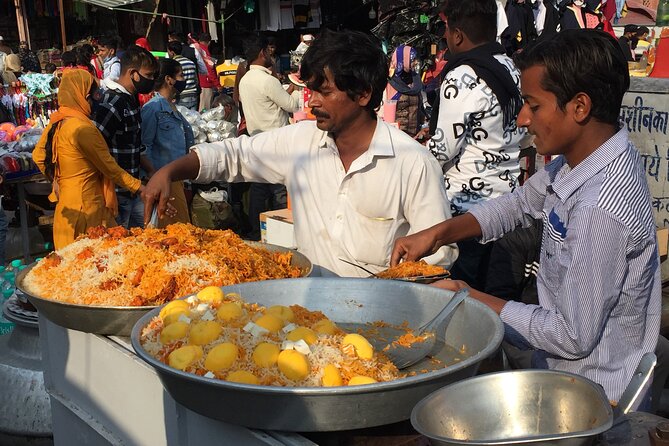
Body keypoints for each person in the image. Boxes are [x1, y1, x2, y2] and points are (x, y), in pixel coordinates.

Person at [391, 29, 660, 406]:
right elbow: (517, 205)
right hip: (558, 375)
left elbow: (571, 335)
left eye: (533, 106)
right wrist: (438, 233)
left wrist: (468, 296)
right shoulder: (580, 161)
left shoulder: (601, 208)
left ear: (579, 107)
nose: (522, 118)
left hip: (594, 398)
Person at [142, 29, 458, 277]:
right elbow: (233, 156)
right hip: (310, 314)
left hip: (380, 322)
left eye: (325, 91)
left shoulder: (412, 163)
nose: (312, 103)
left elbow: (436, 259)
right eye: (310, 90)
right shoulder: (301, 142)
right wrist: (168, 172)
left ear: (363, 94)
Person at [426, 0, 527, 290]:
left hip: (466, 209)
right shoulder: (510, 66)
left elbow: (443, 150)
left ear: (457, 35)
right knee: (493, 294)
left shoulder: (461, 76)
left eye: (446, 31)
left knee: (462, 296)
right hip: (507, 203)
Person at [32, 69, 142, 249]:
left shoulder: (57, 120)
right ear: (83, 95)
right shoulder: (83, 129)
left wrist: (59, 179)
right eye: (96, 94)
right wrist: (140, 188)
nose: (99, 99)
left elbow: (38, 156)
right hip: (88, 213)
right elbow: (110, 168)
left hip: (65, 211)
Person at [239, 33, 301, 241]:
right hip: (276, 142)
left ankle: (256, 231)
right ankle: (280, 234)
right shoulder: (267, 81)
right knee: (279, 190)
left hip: (256, 140)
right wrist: (293, 89)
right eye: (269, 50)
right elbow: (292, 105)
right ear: (261, 52)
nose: (271, 54)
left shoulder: (246, 80)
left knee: (259, 188)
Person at [93, 46, 158, 229]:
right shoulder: (112, 103)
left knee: (144, 240)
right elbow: (96, 147)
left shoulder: (131, 99)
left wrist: (151, 171)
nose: (151, 80)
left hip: (134, 189)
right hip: (116, 192)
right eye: (149, 75)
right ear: (133, 73)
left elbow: (135, 143)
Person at [140, 58, 193, 227]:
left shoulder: (173, 107)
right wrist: (153, 175)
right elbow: (144, 147)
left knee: (180, 227)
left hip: (176, 178)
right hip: (163, 179)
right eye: (181, 75)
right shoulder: (153, 108)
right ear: (169, 79)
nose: (184, 79)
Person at [167, 40, 199, 110]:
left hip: (181, 96)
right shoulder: (191, 62)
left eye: (168, 51)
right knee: (194, 119)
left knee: (182, 118)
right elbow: (196, 80)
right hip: (193, 94)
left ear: (172, 52)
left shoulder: (173, 64)